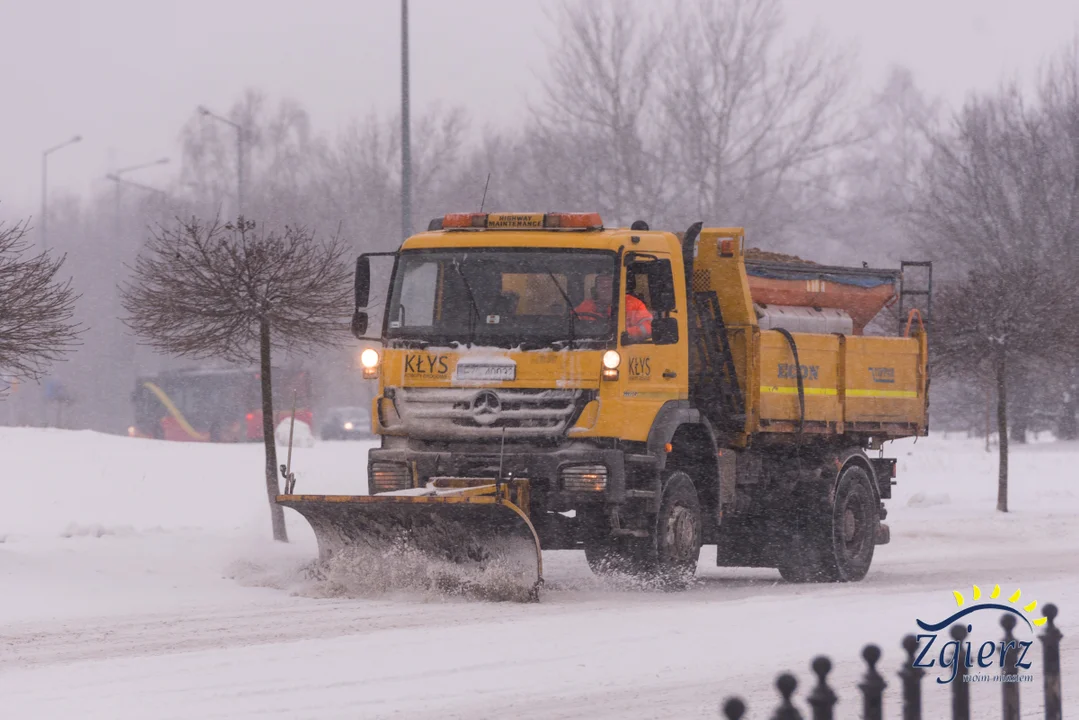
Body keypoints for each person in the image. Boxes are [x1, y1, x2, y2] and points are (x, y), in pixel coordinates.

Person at [574, 272, 653, 340]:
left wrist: (623, 334)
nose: (606, 291)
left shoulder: (634, 304)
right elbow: (570, 324)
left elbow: (648, 327)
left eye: (609, 287)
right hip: (590, 347)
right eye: (602, 288)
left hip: (626, 347)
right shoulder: (585, 306)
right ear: (596, 289)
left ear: (617, 288)